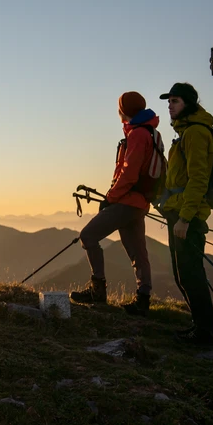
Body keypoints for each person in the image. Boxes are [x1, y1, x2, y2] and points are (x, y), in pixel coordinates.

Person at [70, 91, 162, 315]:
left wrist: (110, 198)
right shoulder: (150, 132)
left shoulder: (137, 135)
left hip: (126, 201)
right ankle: (143, 299)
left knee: (88, 236)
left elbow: (129, 174)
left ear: (124, 110)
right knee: (137, 252)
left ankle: (98, 291)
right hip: (139, 202)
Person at [158, 82, 213, 346]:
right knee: (184, 274)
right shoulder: (185, 133)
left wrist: (184, 218)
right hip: (179, 211)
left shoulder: (194, 133)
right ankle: (199, 327)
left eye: (175, 101)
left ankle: (204, 333)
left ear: (188, 104)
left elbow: (198, 180)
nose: (170, 106)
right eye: (169, 101)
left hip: (187, 216)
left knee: (191, 274)